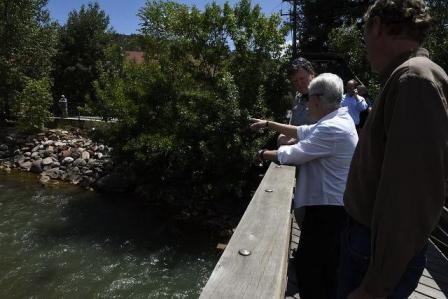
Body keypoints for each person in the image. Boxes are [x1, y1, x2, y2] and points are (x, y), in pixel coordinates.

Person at [339, 1, 448, 298]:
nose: (365, 44)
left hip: (371, 252)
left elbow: (412, 193)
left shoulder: (414, 80)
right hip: (368, 243)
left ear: (376, 26)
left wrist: (376, 286)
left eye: (365, 32)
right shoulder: (407, 76)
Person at [250, 73, 358, 299]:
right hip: (333, 207)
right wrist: (268, 124)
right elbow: (301, 132)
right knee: (326, 270)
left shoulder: (332, 129)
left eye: (309, 98)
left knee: (310, 270)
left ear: (317, 99)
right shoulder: (336, 121)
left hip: (328, 211)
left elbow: (294, 154)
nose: (307, 102)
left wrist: (262, 154)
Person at [278, 57, 316, 146]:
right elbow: (292, 122)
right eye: (295, 81)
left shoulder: (326, 97)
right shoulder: (297, 97)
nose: (299, 84)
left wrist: (295, 142)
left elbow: (326, 133)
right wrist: (283, 134)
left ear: (312, 75)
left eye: (302, 78)